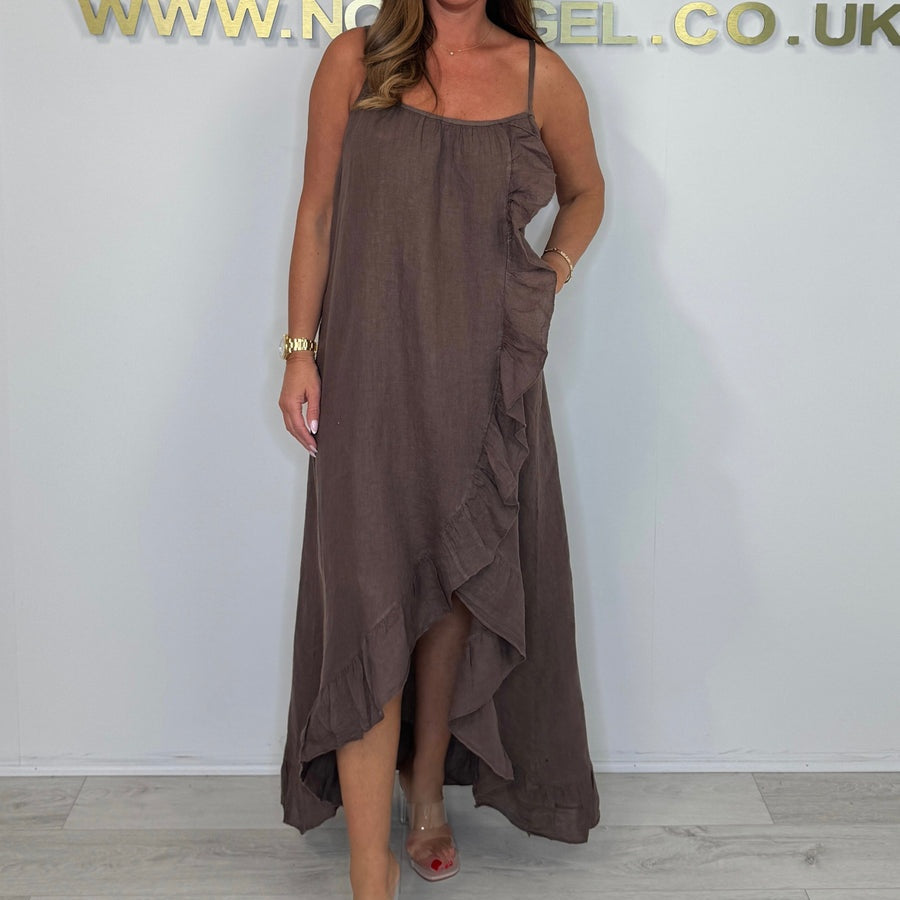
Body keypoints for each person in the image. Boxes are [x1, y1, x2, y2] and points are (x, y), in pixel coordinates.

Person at [277, 0, 605, 896]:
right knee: (368, 597)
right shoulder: (356, 60)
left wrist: (549, 274)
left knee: (459, 588)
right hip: (368, 370)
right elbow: (317, 212)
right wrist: (300, 350)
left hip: (483, 372)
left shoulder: (539, 75)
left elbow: (587, 193)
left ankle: (425, 790)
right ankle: (369, 865)